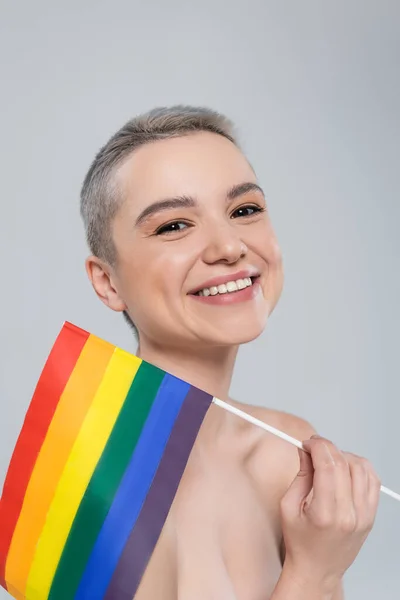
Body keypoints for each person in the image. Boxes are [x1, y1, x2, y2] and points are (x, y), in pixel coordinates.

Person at [81, 105, 381, 599]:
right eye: (174, 225)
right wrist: (314, 573)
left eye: (244, 210)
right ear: (108, 281)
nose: (228, 246)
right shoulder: (94, 491)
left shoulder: (288, 451)